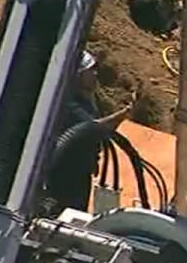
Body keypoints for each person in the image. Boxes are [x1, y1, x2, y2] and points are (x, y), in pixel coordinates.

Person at [46, 51, 131, 213]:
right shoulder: (69, 103)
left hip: (81, 173)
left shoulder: (85, 100)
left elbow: (97, 131)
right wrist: (124, 113)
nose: (95, 73)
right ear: (77, 75)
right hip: (64, 176)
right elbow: (91, 128)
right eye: (90, 70)